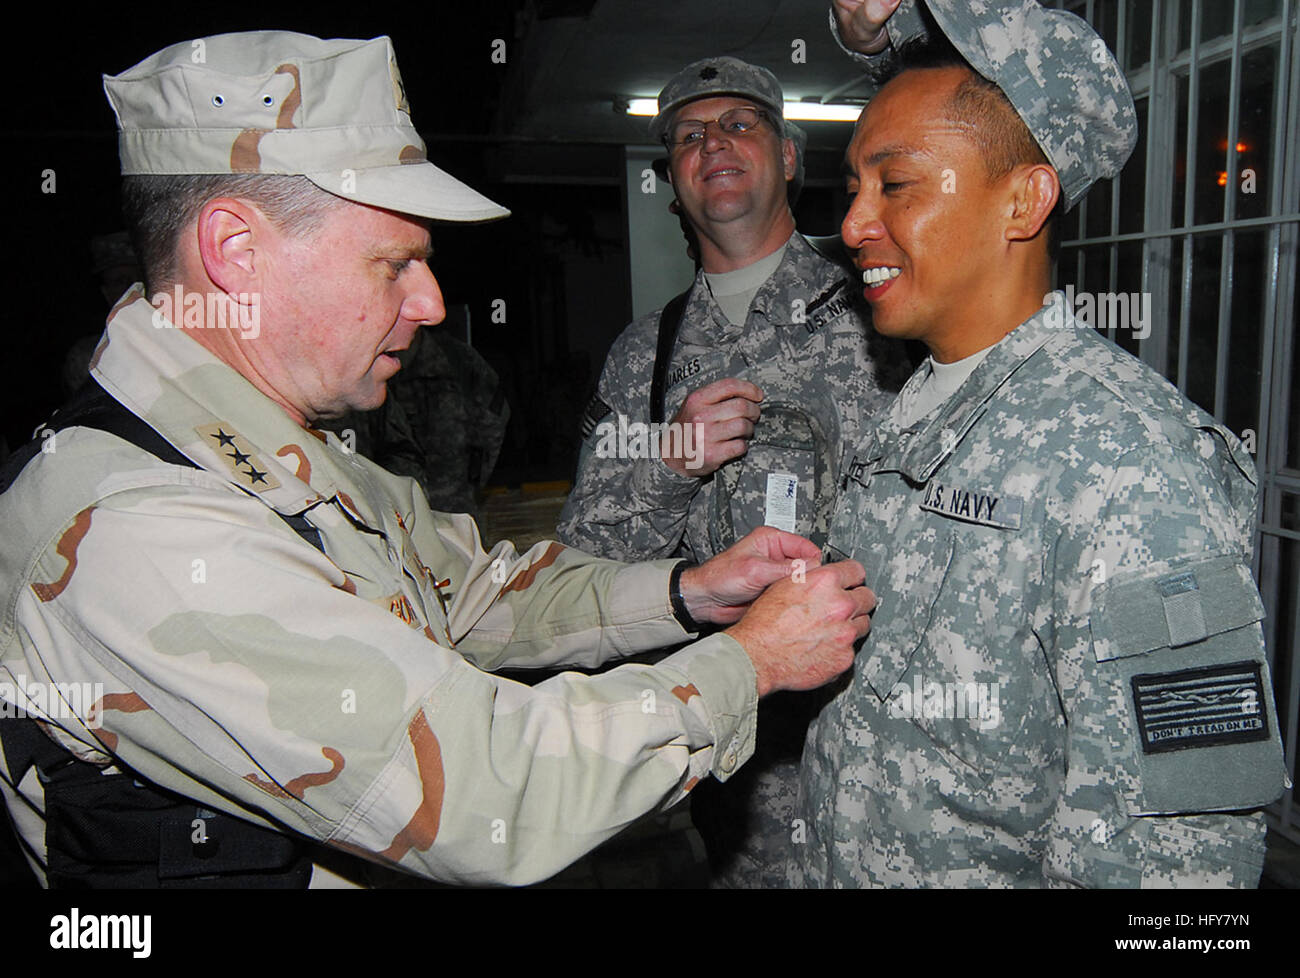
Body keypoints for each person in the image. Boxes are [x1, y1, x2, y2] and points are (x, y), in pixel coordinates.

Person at [0, 30, 877, 889]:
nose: (430, 303)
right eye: (394, 265)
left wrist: (689, 592)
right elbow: (484, 786)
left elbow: (476, 592)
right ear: (237, 254)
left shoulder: (286, 457)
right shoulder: (142, 529)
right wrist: (750, 661)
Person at [791, 0, 1288, 887]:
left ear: (1024, 200)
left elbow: (1183, 859)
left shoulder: (1133, 463)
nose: (856, 223)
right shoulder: (909, 408)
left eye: (895, 185)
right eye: (854, 188)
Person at [557, 57, 909, 886]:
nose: (713, 142)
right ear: (671, 182)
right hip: (734, 766)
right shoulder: (644, 355)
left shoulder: (888, 314)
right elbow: (578, 566)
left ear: (789, 156)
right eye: (688, 136)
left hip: (891, 752)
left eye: (739, 124)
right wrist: (666, 463)